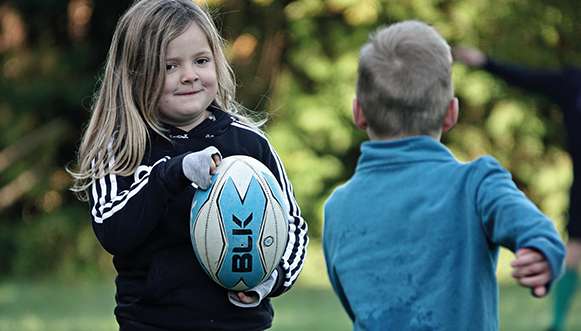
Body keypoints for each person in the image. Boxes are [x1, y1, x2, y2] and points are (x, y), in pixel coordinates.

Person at [68, 0, 308, 330]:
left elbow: (292, 225)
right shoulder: (122, 147)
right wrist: (172, 173)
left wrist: (272, 277)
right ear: (136, 74)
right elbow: (113, 231)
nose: (190, 76)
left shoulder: (249, 144)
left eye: (201, 60)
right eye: (169, 66)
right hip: (151, 323)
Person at [323, 20, 565, 331]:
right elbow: (534, 229)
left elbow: (352, 302)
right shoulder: (476, 184)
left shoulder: (337, 208)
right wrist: (540, 250)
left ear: (358, 112)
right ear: (452, 113)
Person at [454, 46, 581, 331]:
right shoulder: (572, 83)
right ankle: (557, 324)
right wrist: (486, 61)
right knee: (573, 253)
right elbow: (526, 78)